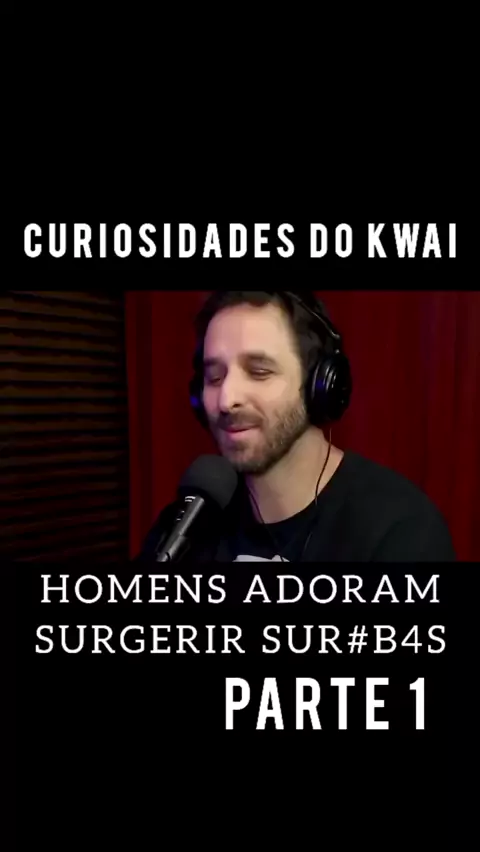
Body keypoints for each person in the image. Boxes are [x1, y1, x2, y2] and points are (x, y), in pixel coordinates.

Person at [141, 290, 456, 562]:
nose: (227, 399)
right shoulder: (188, 528)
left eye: (259, 372)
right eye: (214, 377)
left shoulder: (400, 531)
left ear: (320, 385)